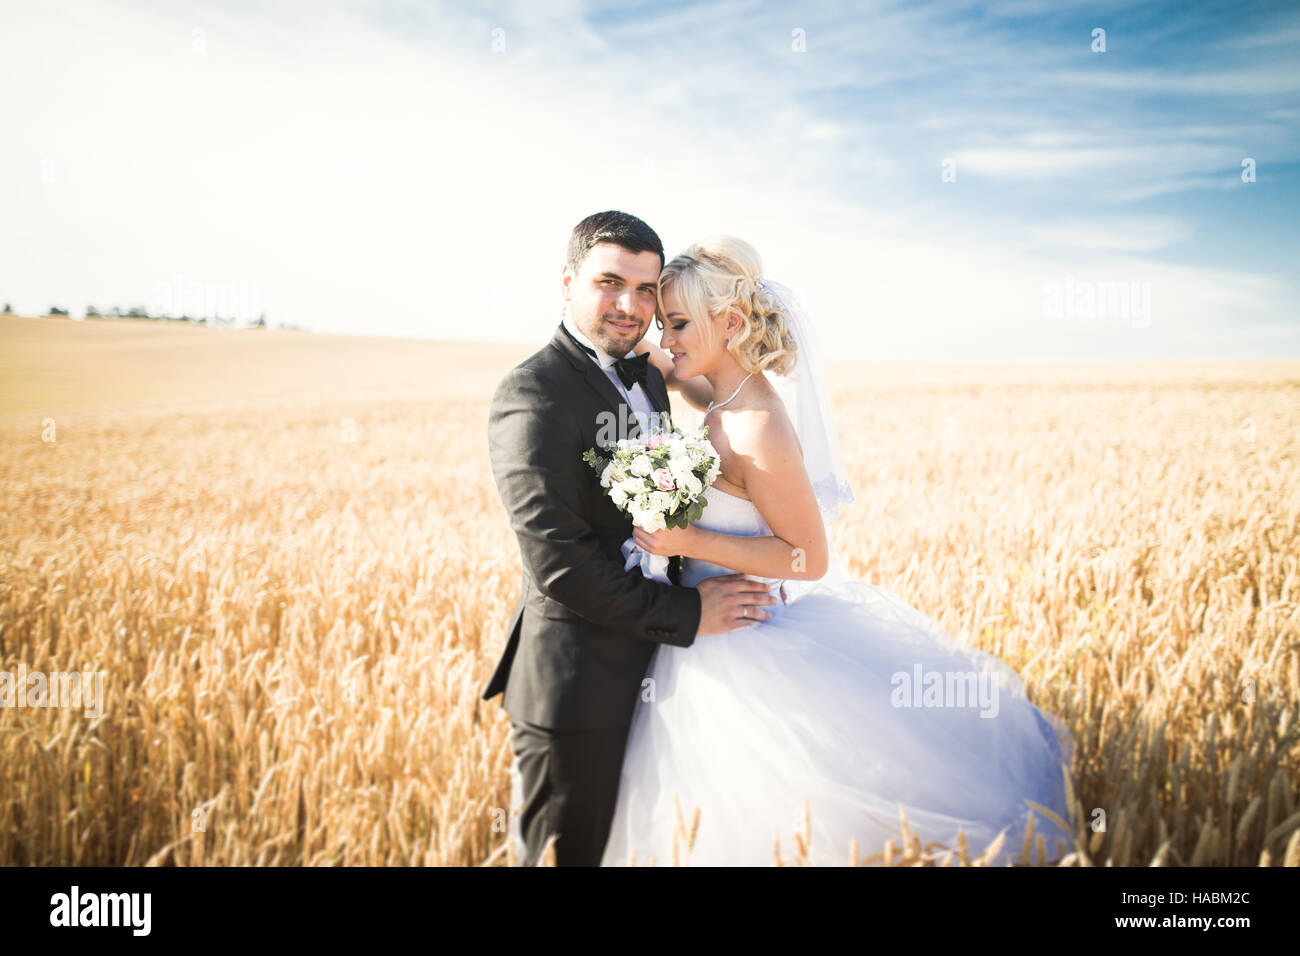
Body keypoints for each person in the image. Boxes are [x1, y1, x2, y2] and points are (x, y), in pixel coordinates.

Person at [599, 235, 1076, 866]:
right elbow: (678, 373)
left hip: (740, 635)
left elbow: (808, 557)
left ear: (732, 323)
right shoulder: (722, 397)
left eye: (679, 324)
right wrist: (634, 345)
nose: (670, 338)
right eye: (665, 325)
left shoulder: (755, 424)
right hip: (705, 626)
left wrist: (689, 539)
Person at [483, 211, 778, 866]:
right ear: (567, 282)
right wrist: (692, 613)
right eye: (609, 282)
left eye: (647, 290)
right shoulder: (533, 396)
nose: (630, 305)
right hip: (578, 687)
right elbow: (560, 566)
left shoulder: (645, 375)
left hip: (665, 671)